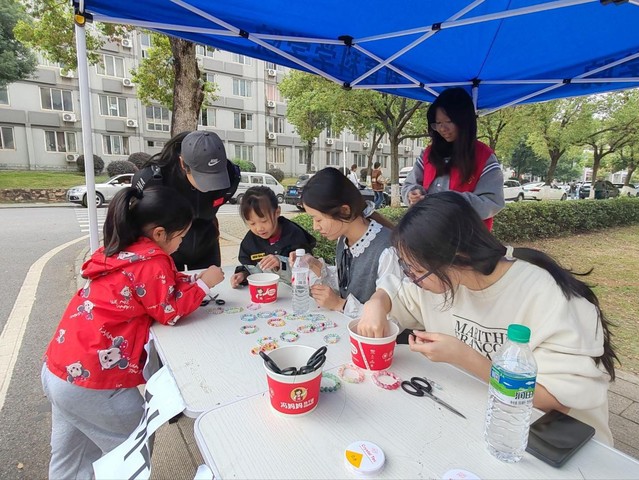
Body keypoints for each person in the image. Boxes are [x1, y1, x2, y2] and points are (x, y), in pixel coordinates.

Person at [357, 191, 618, 444]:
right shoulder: (444, 282)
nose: (412, 278)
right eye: (407, 269)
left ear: (455, 257)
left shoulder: (546, 296)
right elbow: (397, 294)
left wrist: (464, 357)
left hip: (553, 440)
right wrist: (376, 303)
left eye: (416, 270)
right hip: (481, 419)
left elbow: (555, 401)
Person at [41, 186, 225, 479]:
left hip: (59, 370)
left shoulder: (123, 250)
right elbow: (169, 311)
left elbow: (155, 287)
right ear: (160, 233)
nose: (181, 243)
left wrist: (191, 280)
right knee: (130, 456)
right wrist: (205, 284)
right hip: (94, 383)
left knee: (70, 458)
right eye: (181, 237)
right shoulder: (153, 261)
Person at [292, 167, 400, 318]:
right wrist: (315, 265)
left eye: (318, 219)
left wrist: (340, 304)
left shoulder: (387, 250)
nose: (315, 227)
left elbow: (395, 319)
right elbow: (346, 285)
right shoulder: (344, 239)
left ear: (344, 211)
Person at [132, 130, 241, 270]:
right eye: (203, 177)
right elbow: (136, 223)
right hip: (168, 245)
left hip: (206, 243)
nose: (209, 187)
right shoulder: (153, 179)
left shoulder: (231, 175)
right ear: (183, 164)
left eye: (215, 177)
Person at [401, 87, 504, 229]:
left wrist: (450, 202)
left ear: (464, 121)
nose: (442, 129)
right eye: (438, 123)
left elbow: (492, 201)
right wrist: (412, 194)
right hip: (428, 233)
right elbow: (408, 185)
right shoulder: (428, 154)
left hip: (467, 237)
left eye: (448, 121)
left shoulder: (484, 157)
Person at [230, 186, 316, 287]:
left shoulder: (294, 235)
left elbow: (307, 271)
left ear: (277, 212)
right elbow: (250, 266)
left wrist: (280, 264)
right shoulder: (250, 241)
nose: (259, 228)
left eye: (264, 221)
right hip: (264, 292)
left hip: (291, 292)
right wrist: (243, 274)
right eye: (252, 223)